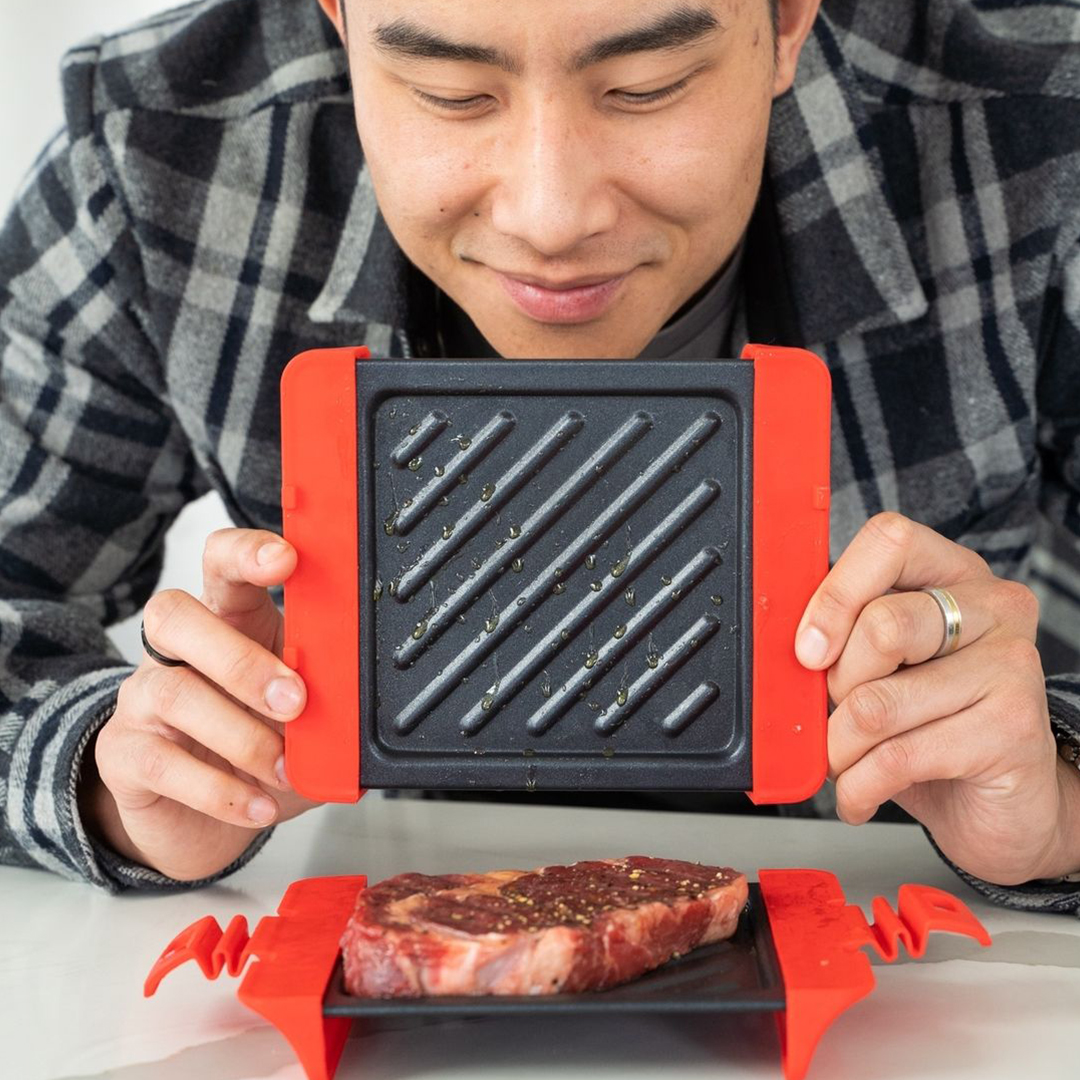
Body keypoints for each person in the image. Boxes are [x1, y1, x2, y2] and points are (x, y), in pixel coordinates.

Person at [1, 0, 1078, 912]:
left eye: (647, 86)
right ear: (335, 16)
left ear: (789, 18)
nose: (551, 216)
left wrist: (1059, 797)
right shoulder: (157, 157)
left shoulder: (1043, 131)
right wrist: (111, 776)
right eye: (453, 94)